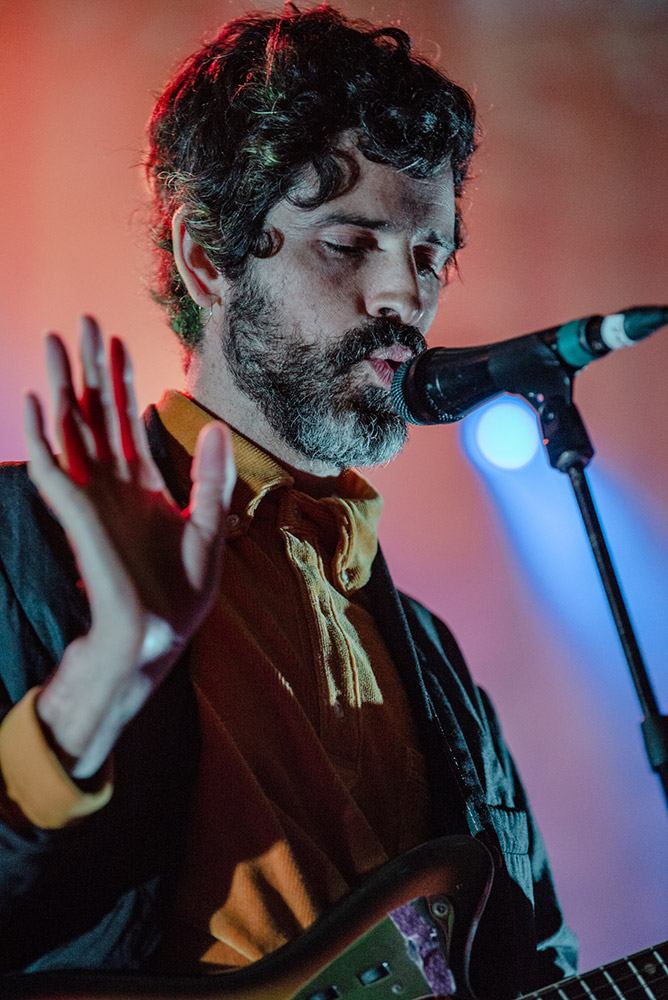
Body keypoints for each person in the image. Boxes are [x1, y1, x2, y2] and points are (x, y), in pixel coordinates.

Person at [0, 5, 577, 996]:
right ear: (210, 259)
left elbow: (536, 958)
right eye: (349, 244)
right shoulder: (26, 542)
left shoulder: (431, 658)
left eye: (429, 255)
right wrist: (97, 681)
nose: (405, 298)